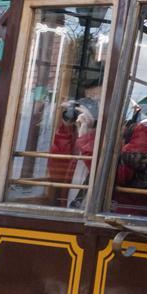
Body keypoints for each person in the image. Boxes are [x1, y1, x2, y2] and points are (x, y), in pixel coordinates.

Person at [48, 80, 101, 208]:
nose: (90, 106)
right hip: (70, 204)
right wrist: (66, 128)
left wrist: (86, 135)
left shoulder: (116, 136)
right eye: (88, 100)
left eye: (96, 101)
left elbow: (101, 172)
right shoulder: (77, 131)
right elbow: (56, 171)